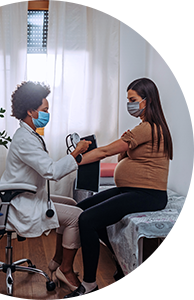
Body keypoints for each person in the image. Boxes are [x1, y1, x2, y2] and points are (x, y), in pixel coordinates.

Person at [63, 78, 173, 300]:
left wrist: (72, 160)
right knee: (79, 209)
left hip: (148, 195)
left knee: (88, 219)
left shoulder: (149, 128)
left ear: (147, 101)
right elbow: (125, 155)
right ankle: (122, 262)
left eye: (133, 100)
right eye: (128, 100)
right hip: (132, 190)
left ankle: (90, 286)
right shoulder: (144, 128)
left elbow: (104, 152)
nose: (129, 104)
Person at [0, 81, 91, 290]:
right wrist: (76, 153)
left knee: (72, 203)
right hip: (19, 202)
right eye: (45, 110)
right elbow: (52, 172)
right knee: (77, 216)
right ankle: (65, 270)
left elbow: (46, 168)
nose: (48, 114)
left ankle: (57, 260)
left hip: (24, 195)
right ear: (30, 111)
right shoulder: (25, 139)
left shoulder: (29, 135)